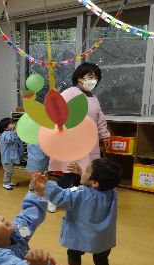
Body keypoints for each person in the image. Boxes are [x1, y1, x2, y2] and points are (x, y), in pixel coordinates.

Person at [35, 158, 122, 265]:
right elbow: (95, 187)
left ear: (95, 182)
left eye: (87, 170)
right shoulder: (112, 193)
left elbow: (61, 197)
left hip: (80, 236)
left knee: (73, 253)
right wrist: (82, 174)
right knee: (101, 259)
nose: (84, 171)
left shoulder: (79, 193)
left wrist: (46, 184)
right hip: (102, 238)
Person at [47, 62, 110, 213]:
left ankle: (73, 199)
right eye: (90, 76)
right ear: (79, 78)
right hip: (73, 141)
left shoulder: (94, 98)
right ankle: (52, 198)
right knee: (71, 172)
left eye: (95, 77)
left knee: (82, 174)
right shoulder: (70, 93)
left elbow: (100, 119)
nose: (93, 80)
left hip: (90, 142)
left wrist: (105, 135)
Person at [0, 118, 22, 190]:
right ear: (5, 128)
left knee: (10, 170)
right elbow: (9, 139)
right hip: (6, 157)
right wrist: (14, 132)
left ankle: (9, 181)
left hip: (10, 157)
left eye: (13, 123)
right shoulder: (5, 134)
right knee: (8, 171)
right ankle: (5, 183)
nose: (13, 124)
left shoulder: (10, 133)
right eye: (11, 123)